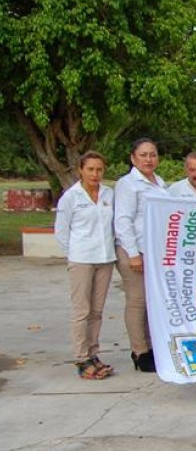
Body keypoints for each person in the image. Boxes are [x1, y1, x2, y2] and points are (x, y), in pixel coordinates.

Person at [56, 151, 116, 380]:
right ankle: (81, 357)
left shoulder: (108, 194)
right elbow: (61, 231)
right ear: (81, 170)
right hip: (81, 258)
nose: (95, 174)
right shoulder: (71, 197)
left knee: (97, 311)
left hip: (105, 258)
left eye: (99, 169)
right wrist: (73, 255)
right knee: (82, 310)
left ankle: (94, 352)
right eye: (90, 169)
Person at [113, 138, 166, 372]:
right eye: (143, 155)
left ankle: (152, 347)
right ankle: (139, 351)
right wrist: (133, 254)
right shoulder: (127, 184)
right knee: (137, 301)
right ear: (133, 158)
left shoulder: (159, 182)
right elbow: (123, 220)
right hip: (133, 250)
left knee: (151, 302)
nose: (148, 159)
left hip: (153, 252)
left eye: (152, 154)